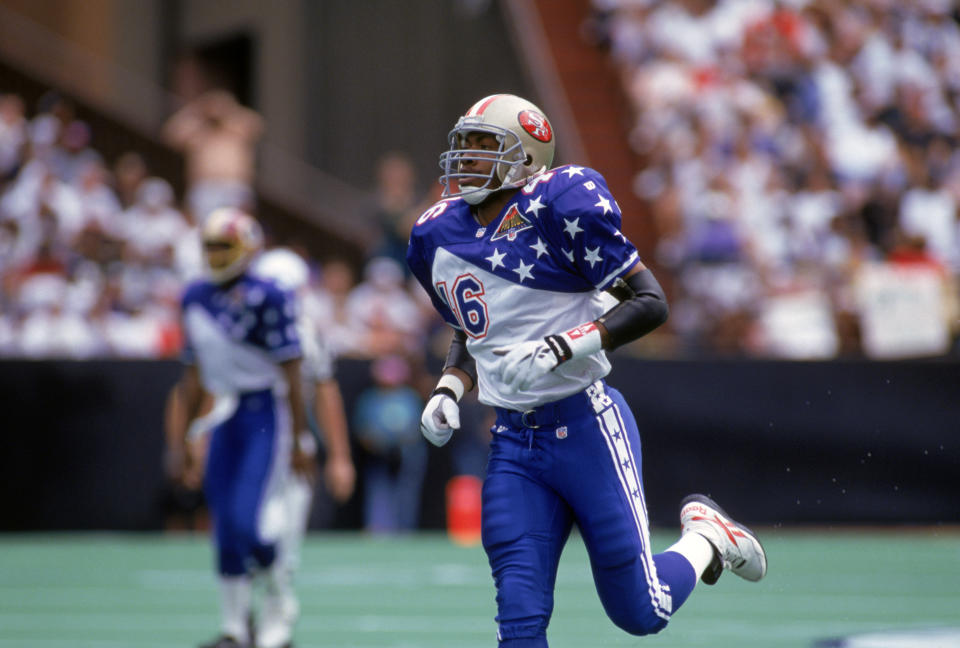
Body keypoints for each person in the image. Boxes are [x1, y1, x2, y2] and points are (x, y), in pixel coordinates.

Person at [406, 94, 767, 647]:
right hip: (512, 444)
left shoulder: (559, 203)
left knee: (641, 611)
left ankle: (706, 538)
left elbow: (650, 301)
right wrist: (450, 386)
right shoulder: (437, 234)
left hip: (587, 428)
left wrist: (565, 345)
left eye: (486, 147)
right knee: (519, 624)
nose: (469, 160)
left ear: (527, 156)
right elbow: (474, 323)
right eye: (467, 146)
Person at [167, 207, 312, 648]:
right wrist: (185, 438)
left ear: (247, 246)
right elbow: (192, 379)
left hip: (264, 413)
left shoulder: (269, 294)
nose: (214, 255)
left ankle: (279, 597)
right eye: (208, 246)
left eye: (222, 246)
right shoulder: (193, 296)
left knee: (248, 523)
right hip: (224, 414)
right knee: (224, 527)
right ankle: (234, 628)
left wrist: (302, 437)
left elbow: (292, 372)